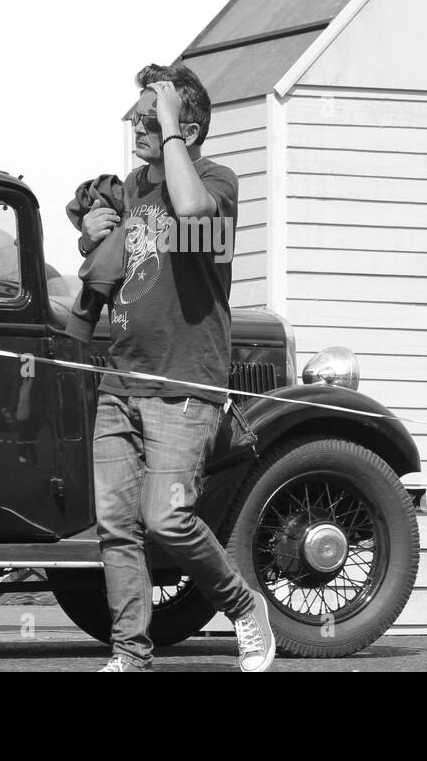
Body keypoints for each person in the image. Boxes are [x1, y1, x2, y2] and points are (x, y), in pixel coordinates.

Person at [77, 62, 275, 672]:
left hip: (185, 381)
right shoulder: (134, 187)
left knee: (167, 518)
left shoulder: (218, 184)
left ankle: (245, 609)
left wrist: (167, 124)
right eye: (135, 117)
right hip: (122, 378)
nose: (135, 127)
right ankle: (131, 654)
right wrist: (89, 231)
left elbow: (189, 214)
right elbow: (102, 236)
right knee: (115, 524)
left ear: (185, 132)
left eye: (149, 119)